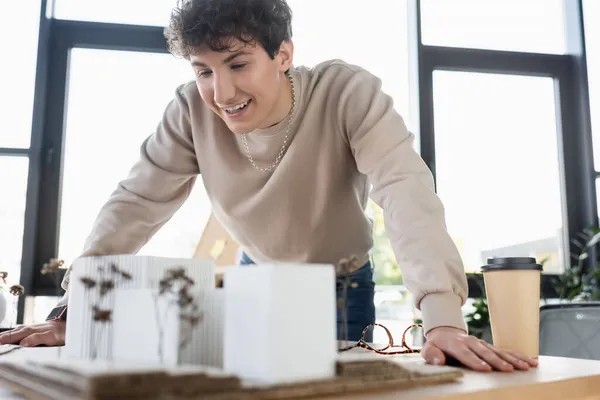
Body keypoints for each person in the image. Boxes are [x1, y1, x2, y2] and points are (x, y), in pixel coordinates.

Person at [0, 0, 537, 372]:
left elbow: (404, 191)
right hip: (257, 278)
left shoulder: (347, 92)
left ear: (283, 54)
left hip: (342, 284)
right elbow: (136, 203)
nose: (221, 91)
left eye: (237, 64)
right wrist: (77, 310)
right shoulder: (189, 110)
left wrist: (442, 317)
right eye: (203, 70)